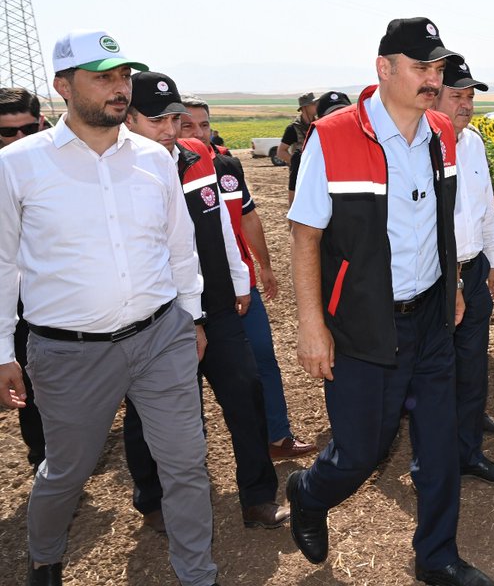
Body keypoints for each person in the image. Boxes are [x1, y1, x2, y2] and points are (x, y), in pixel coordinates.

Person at [0, 30, 218, 586]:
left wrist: (191, 316)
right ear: (63, 86)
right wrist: (3, 351)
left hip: (161, 336)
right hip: (68, 352)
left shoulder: (153, 158)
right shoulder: (17, 164)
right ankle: (45, 558)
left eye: (123, 76)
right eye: (103, 78)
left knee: (186, 464)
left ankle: (198, 573)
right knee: (67, 471)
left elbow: (179, 245)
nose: (120, 88)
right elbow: (2, 263)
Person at [287, 17, 494, 586]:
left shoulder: (441, 133)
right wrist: (311, 325)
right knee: (361, 452)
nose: (434, 79)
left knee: (439, 442)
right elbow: (305, 235)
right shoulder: (332, 136)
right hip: (363, 324)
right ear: (384, 67)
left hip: (431, 317)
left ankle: (437, 556)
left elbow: (442, 220)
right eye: (421, 67)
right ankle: (309, 491)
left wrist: (452, 283)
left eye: (438, 68)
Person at [122, 71, 289, 534]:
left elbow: (222, 227)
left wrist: (240, 281)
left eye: (175, 118)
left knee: (246, 396)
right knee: (152, 413)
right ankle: (154, 500)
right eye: (157, 121)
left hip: (216, 307)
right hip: (157, 317)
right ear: (129, 119)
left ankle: (258, 498)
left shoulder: (197, 157)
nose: (170, 130)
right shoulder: (118, 171)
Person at [178, 94, 317, 461]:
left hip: (239, 286)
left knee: (262, 359)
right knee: (187, 379)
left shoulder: (227, 165)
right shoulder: (161, 171)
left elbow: (247, 217)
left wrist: (264, 266)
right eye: (187, 125)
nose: (198, 133)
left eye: (204, 125)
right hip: (184, 295)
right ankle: (191, 458)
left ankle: (277, 437)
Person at [434, 61, 494, 483]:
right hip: (435, 275)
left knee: (473, 362)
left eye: (470, 97)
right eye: (457, 96)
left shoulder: (474, 142)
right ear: (433, 95)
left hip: (475, 267)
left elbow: (485, 205)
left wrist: (493, 259)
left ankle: (468, 451)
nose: (466, 105)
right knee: (435, 368)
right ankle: (435, 455)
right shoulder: (421, 145)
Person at [0, 87, 48, 472]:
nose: (18, 138)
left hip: (56, 293)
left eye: (27, 130)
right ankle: (43, 459)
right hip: (11, 298)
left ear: (42, 123)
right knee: (27, 382)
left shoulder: (63, 165)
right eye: (7, 131)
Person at [279, 92, 317, 206]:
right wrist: (297, 163)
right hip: (299, 174)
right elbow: (281, 152)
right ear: (305, 107)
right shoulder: (293, 128)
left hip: (317, 173)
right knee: (296, 205)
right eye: (313, 104)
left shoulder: (319, 125)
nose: (316, 105)